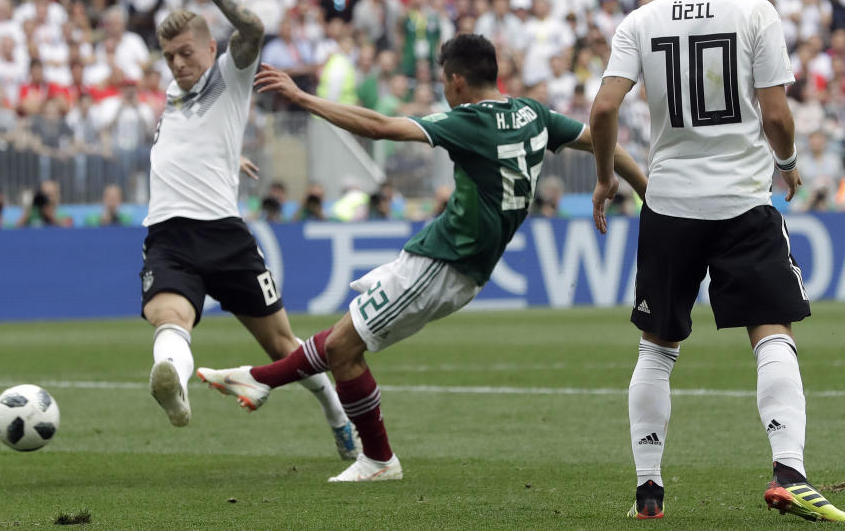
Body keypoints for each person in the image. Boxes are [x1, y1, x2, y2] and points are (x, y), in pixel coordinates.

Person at [197, 33, 648, 482]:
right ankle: (268, 387)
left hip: (445, 266)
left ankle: (292, 401)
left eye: (442, 81)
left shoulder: (469, 122)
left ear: (455, 81)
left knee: (341, 349)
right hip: (435, 254)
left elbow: (378, 126)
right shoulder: (532, 113)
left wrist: (302, 98)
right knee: (342, 345)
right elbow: (601, 138)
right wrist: (639, 188)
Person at [588, 0, 845, 523]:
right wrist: (784, 161)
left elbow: (601, 112)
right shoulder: (757, 12)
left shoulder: (640, 21)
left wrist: (604, 181)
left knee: (658, 348)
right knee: (772, 332)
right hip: (741, 202)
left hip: (670, 201)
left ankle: (649, 491)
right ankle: (788, 470)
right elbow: (778, 115)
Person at [141, 0, 360, 461]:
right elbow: (191, 145)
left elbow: (255, 25)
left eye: (186, 52)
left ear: (210, 47)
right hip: (169, 235)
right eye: (169, 55)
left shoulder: (229, 74)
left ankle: (336, 414)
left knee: (283, 346)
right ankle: (172, 380)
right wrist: (227, 158)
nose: (178, 63)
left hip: (224, 235)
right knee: (168, 317)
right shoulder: (173, 97)